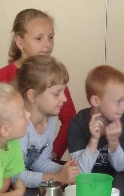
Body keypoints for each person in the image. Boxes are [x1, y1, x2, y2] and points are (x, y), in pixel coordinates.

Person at [0, 9, 76, 159]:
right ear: (20, 42)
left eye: (51, 37)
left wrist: (54, 153)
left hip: (38, 164)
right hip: (5, 164)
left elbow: (70, 119)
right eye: (39, 38)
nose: (47, 44)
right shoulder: (2, 76)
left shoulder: (53, 77)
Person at [13, 55, 79, 188]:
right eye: (57, 94)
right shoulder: (18, 125)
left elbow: (40, 161)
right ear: (33, 96)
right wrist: (57, 177)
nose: (65, 99)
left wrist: (66, 171)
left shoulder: (50, 117)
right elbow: (15, 176)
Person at [67, 65, 124, 174]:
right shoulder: (78, 123)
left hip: (115, 181)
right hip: (87, 182)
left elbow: (121, 167)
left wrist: (114, 142)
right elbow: (80, 171)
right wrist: (93, 140)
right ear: (96, 101)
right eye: (118, 101)